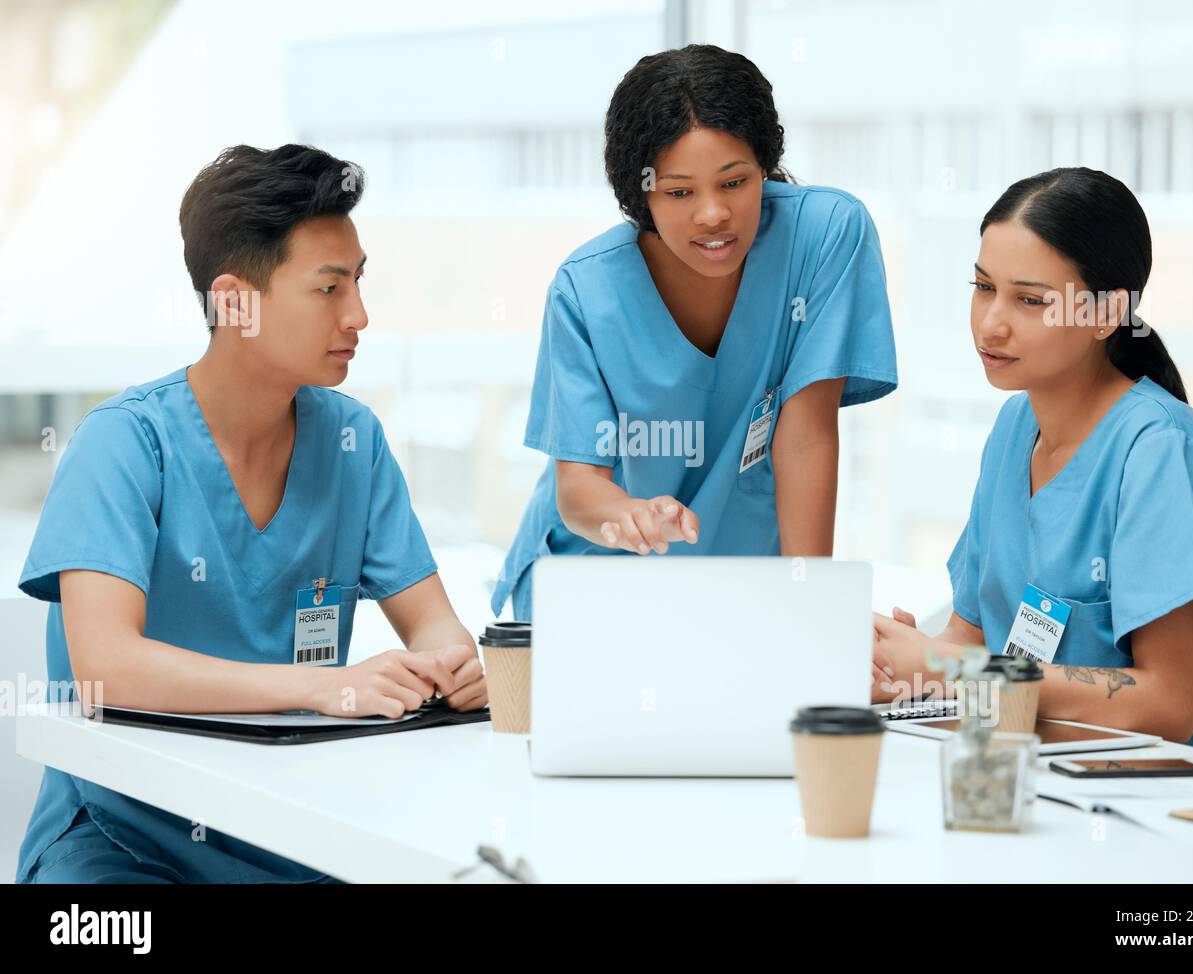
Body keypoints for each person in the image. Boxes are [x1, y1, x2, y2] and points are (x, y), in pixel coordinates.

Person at [17, 144, 488, 883]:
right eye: (328, 288)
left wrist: (453, 668)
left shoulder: (351, 442)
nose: (358, 315)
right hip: (123, 838)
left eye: (358, 282)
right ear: (234, 300)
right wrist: (318, 686)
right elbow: (105, 669)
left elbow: (432, 623)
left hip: (291, 829)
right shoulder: (124, 444)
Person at [874, 167, 1193, 768]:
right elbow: (969, 644)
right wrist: (900, 670)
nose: (991, 322)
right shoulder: (1011, 433)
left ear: (1105, 315)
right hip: (1057, 782)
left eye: (1030, 300)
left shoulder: (1159, 453)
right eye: (982, 286)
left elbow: (1169, 705)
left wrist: (952, 670)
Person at [492, 44, 898, 620]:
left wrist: (815, 611)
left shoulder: (826, 236)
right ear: (640, 193)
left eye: (734, 183)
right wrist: (631, 517)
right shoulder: (585, 291)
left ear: (764, 165)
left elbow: (806, 435)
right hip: (595, 590)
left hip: (741, 592)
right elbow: (579, 488)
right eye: (679, 192)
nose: (712, 214)